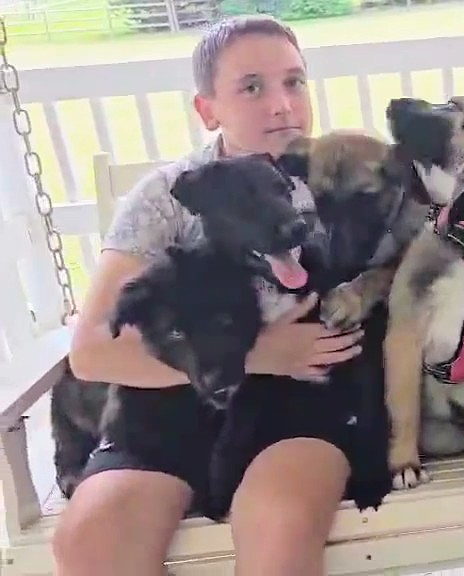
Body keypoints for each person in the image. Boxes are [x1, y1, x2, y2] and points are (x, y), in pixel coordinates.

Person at [54, 15, 363, 576]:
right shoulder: (166, 198)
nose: (282, 105)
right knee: (92, 537)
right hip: (169, 409)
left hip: (294, 410)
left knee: (281, 520)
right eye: (252, 87)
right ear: (207, 109)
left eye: (294, 82)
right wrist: (255, 353)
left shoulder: (347, 180)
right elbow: (93, 351)